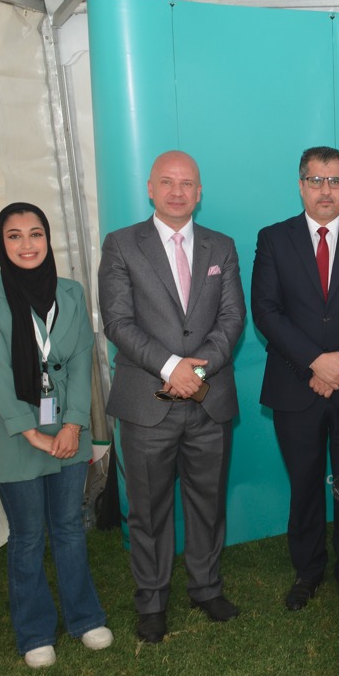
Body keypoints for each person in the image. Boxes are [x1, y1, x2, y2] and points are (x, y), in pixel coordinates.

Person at [98, 150, 245, 643]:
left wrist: (195, 370)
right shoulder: (121, 245)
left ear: (199, 192)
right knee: (148, 510)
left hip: (209, 401)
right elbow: (118, 322)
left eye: (186, 183)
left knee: (208, 503)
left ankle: (206, 588)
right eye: (167, 182)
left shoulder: (222, 247)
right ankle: (152, 601)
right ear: (150, 189)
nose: (177, 191)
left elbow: (232, 319)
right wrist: (170, 368)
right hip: (148, 404)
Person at [0, 203, 111, 668]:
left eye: (35, 234)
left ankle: (85, 618)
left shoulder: (71, 292)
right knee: (27, 535)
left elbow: (82, 362)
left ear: (48, 240)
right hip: (16, 436)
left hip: (68, 430)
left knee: (69, 527)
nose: (27, 244)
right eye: (14, 236)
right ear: (1, 243)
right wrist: (32, 433)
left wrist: (73, 424)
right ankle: (34, 633)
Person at [251, 146, 339, 611]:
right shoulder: (274, 239)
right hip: (296, 386)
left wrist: (338, 368)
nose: (325, 190)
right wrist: (315, 362)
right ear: (301, 186)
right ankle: (307, 571)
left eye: (335, 181)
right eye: (316, 180)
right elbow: (266, 311)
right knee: (305, 483)